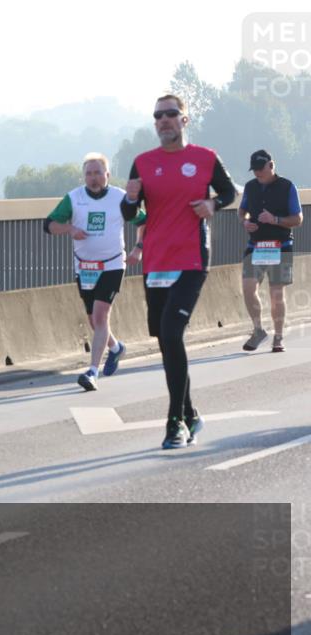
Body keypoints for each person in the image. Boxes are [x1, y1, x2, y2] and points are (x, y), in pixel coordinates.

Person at [121, 94, 236, 450]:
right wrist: (128, 198)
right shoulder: (142, 163)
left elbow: (231, 192)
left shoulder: (205, 158)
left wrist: (212, 203)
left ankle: (175, 424)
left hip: (191, 260)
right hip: (156, 263)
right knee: (165, 338)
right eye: (158, 116)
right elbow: (129, 214)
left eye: (171, 114)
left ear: (184, 120)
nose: (164, 120)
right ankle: (190, 413)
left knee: (172, 331)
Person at [45, 152, 144, 391]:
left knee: (101, 316)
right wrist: (69, 228)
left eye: (98, 173)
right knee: (93, 320)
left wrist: (138, 249)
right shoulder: (74, 198)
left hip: (112, 264)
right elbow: (48, 224)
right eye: (89, 173)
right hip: (85, 267)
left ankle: (92, 372)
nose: (93, 178)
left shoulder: (121, 198)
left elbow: (144, 222)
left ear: (107, 175)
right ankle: (116, 348)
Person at [238, 150, 303, 353]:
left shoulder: (287, 186)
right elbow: (242, 211)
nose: (258, 173)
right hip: (255, 245)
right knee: (248, 288)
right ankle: (258, 330)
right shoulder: (250, 187)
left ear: (271, 165)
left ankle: (278, 337)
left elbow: (298, 219)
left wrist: (275, 220)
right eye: (255, 170)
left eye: (261, 169)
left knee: (276, 293)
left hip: (281, 246)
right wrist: (245, 222)